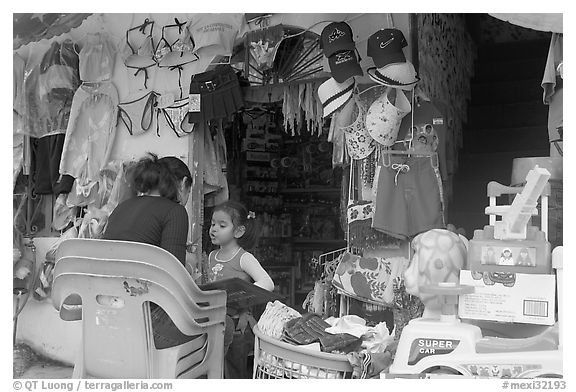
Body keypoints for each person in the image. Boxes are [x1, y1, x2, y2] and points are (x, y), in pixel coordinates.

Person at [103, 152, 194, 349]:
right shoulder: (175, 211)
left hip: (105, 318)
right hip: (146, 324)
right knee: (225, 326)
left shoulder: (121, 208)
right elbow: (173, 278)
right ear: (183, 184)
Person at [208, 200, 274, 378]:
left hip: (238, 325)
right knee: (215, 370)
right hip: (214, 323)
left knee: (234, 373)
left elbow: (267, 283)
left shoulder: (244, 258)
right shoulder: (211, 256)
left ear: (238, 231)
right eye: (212, 224)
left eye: (222, 225)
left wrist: (240, 296)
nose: (213, 229)